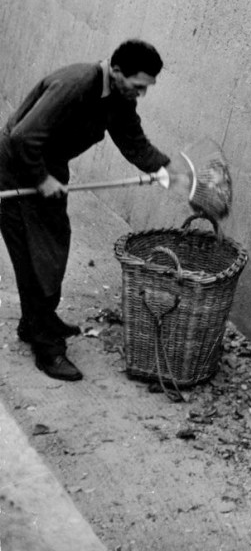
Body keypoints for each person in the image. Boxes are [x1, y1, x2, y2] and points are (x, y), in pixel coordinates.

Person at [0, 40, 171, 382]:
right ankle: (46, 346)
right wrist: (42, 178)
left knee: (54, 246)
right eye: (138, 86)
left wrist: (166, 170)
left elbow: (133, 140)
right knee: (37, 258)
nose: (140, 94)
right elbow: (23, 137)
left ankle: (36, 319)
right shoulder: (77, 84)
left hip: (49, 170)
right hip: (17, 171)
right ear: (117, 71)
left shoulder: (119, 98)